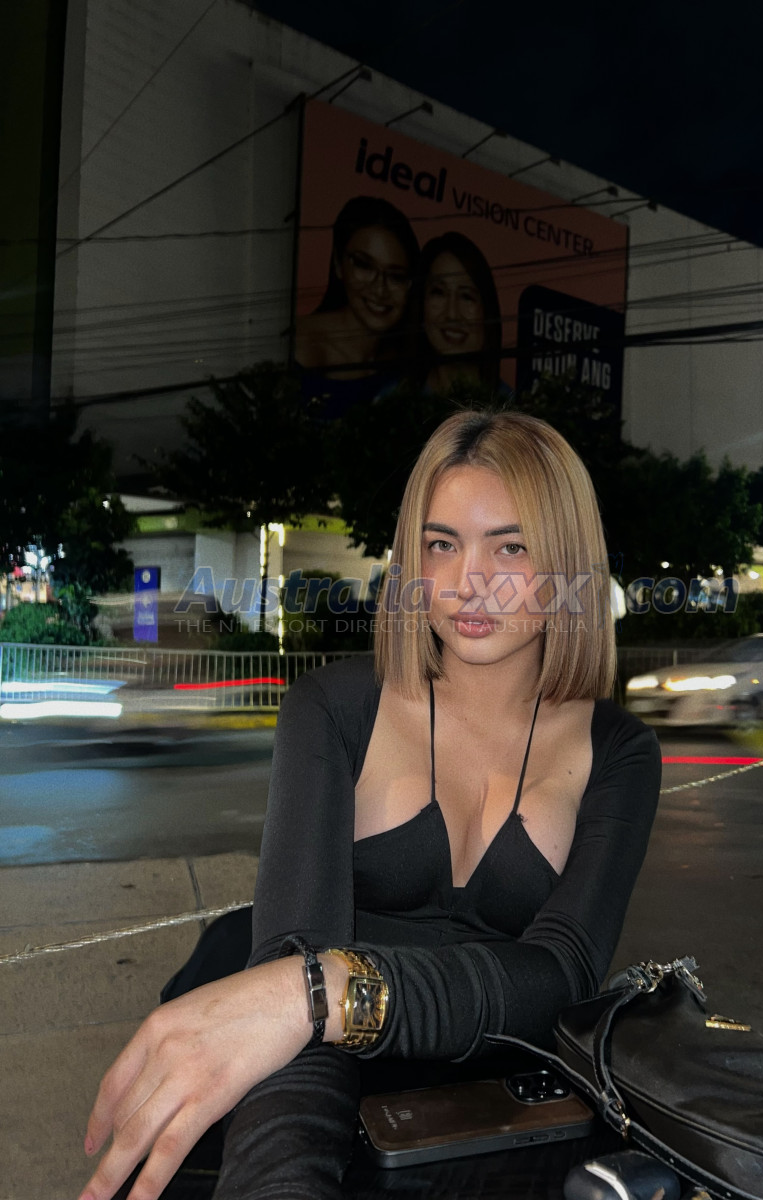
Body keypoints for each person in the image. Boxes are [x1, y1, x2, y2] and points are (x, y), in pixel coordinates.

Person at [80, 410, 661, 1200]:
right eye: (442, 544)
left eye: (511, 547)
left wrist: (327, 990)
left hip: (484, 1095)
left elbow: (560, 975)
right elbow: (287, 984)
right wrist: (283, 1175)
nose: (467, 582)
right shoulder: (334, 705)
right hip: (291, 1066)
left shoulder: (620, 751)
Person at [295, 195, 419, 417]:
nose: (379, 289)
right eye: (364, 265)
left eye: (396, 276)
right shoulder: (302, 346)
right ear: (338, 263)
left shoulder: (405, 363)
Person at [415, 232, 505, 393]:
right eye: (439, 292)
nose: (452, 314)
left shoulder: (512, 405)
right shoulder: (390, 398)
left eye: (466, 296)